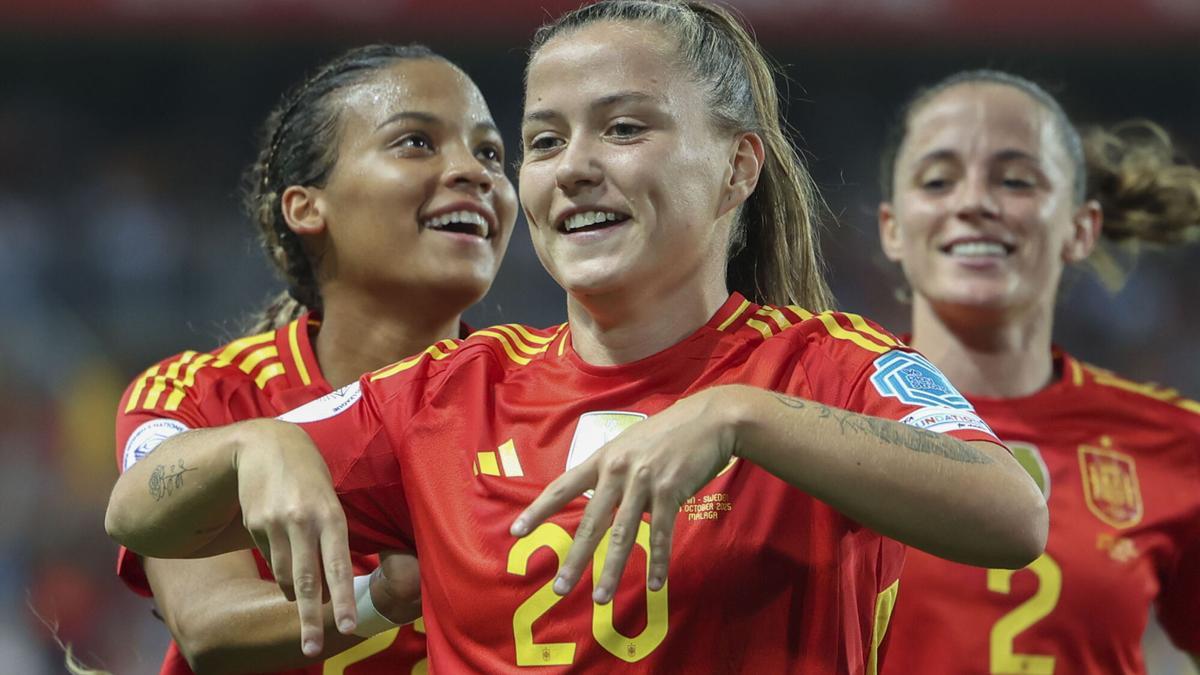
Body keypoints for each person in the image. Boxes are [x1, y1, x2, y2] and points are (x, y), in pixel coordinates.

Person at [106, 3, 1047, 673]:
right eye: (547, 141)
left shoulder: (827, 364)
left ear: (736, 167)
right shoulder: (450, 391)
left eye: (624, 128)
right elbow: (142, 514)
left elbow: (1010, 511)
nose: (574, 169)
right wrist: (254, 445)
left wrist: (739, 416)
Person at [110, 43, 516, 674]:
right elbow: (207, 626)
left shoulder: (536, 392)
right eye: (415, 142)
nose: (475, 171)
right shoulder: (199, 394)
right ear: (306, 207)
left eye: (490, 153)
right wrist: (382, 598)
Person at [875, 69, 1200, 674]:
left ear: (1081, 228)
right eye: (938, 179)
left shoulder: (1178, 444)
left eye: (1016, 181)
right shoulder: (821, 413)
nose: (974, 202)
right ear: (892, 228)